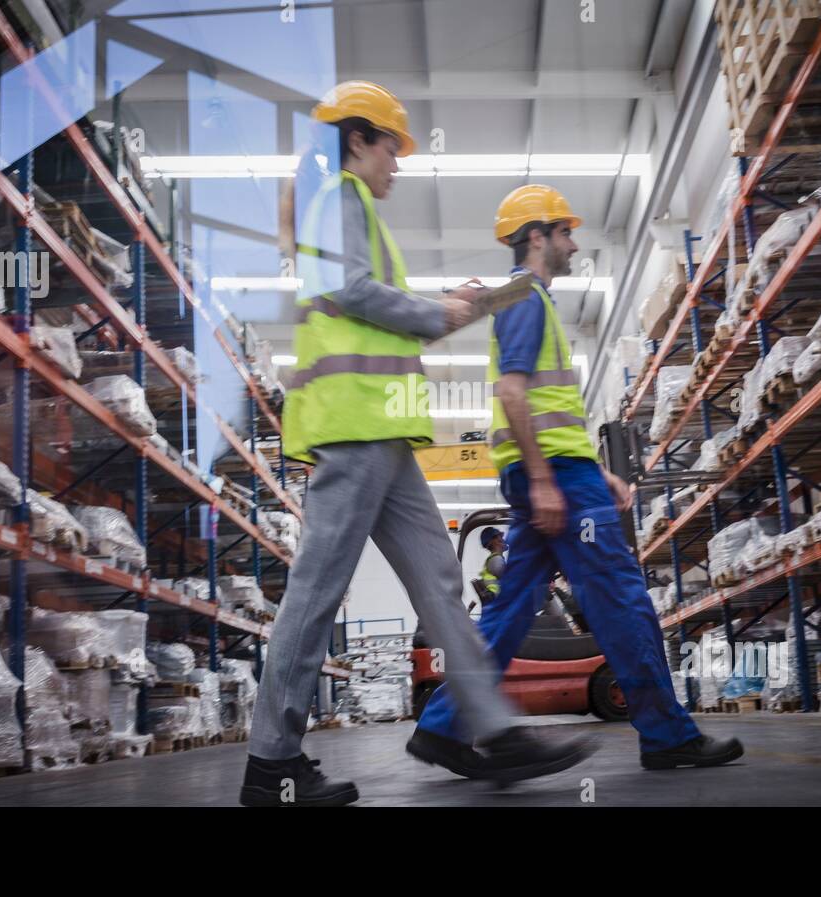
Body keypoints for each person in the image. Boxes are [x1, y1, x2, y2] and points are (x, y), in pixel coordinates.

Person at [241, 85, 593, 807]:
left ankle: (488, 728)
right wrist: (439, 313)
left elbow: (371, 300)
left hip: (385, 431)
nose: (399, 162)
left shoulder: (353, 208)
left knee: (438, 581)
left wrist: (448, 303)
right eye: (393, 147)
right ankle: (270, 761)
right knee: (316, 591)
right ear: (360, 139)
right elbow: (351, 291)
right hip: (352, 426)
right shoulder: (337, 194)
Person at [408, 185, 744, 776]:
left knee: (510, 609)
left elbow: (544, 406)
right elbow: (513, 393)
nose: (574, 242)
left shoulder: (526, 301)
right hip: (554, 481)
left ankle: (441, 727)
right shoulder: (525, 299)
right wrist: (548, 481)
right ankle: (667, 735)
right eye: (564, 231)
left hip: (558, 475)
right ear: (536, 237)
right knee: (619, 597)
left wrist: (593, 472)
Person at [477, 527, 506, 601]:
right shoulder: (496, 560)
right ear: (494, 541)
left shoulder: (494, 559)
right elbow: (510, 579)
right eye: (501, 537)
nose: (503, 540)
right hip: (500, 602)